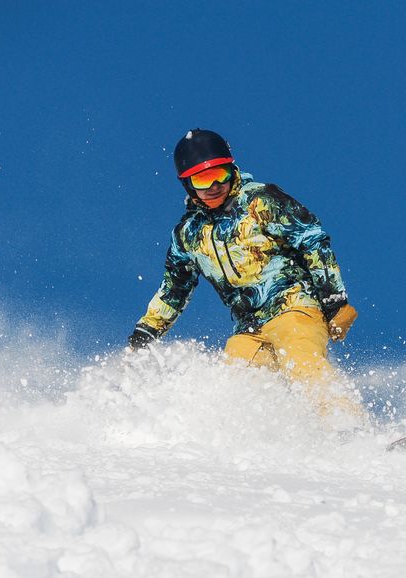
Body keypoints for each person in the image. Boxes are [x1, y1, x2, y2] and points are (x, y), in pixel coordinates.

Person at [128, 129, 359, 408]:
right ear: (188, 184)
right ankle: (262, 445)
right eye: (203, 179)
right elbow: (174, 289)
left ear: (232, 168)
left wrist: (333, 299)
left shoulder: (260, 201)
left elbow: (311, 240)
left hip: (294, 306)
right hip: (249, 327)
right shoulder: (188, 235)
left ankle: (344, 425)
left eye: (221, 174)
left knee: (302, 361)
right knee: (238, 383)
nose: (214, 185)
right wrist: (146, 332)